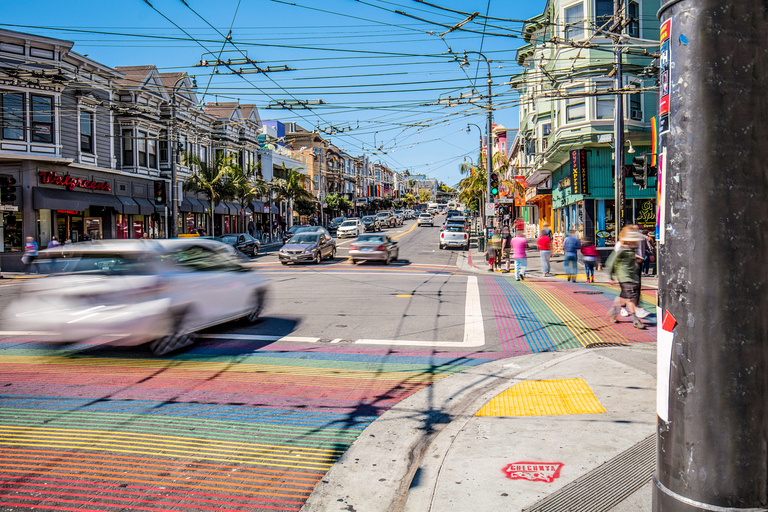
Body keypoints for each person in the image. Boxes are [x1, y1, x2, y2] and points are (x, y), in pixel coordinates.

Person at [605, 228, 647, 329]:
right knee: (631, 299)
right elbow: (611, 262)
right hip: (625, 277)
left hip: (632, 277)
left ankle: (613, 310)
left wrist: (637, 260)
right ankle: (636, 320)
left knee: (624, 297)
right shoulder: (623, 249)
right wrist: (610, 276)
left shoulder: (632, 250)